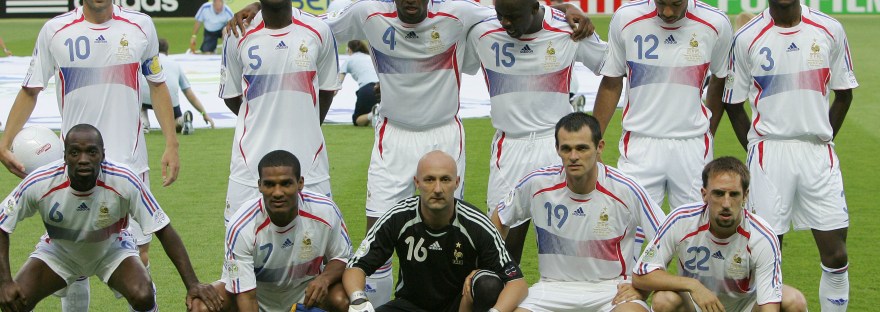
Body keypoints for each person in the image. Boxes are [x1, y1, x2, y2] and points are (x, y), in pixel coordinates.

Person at [227, 0, 593, 304]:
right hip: (392, 137)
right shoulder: (366, 12)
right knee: (377, 237)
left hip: (443, 136)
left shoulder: (460, 13)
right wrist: (260, 6)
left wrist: (561, 8)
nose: (410, 3)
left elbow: (520, 10)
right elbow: (307, 24)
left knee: (451, 237)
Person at [0, 1, 181, 309]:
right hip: (76, 166)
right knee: (74, 258)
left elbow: (158, 84)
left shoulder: (140, 26)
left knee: (140, 255)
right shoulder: (55, 31)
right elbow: (31, 89)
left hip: (129, 166)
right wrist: (4, 143)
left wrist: (171, 144)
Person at [722, 0, 858, 310]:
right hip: (769, 153)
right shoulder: (747, 37)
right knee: (768, 253)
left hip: (817, 153)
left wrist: (823, 137)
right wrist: (757, 150)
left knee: (836, 254)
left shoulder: (830, 29)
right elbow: (733, 102)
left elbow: (844, 93)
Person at [0, 124, 220, 312]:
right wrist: (4, 282)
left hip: (111, 249)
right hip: (60, 252)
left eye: (91, 152)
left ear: (102, 154)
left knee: (143, 295)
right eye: (75, 152)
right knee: (15, 301)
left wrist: (193, 284)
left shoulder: (124, 179)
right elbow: (1, 224)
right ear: (65, 156)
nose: (83, 160)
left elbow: (163, 229)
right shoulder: (40, 181)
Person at [466, 0, 607, 265]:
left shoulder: (569, 30)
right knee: (501, 249)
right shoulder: (482, 31)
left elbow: (610, 67)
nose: (505, 23)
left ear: (534, 8)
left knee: (566, 246)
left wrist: (593, 133)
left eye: (513, 17)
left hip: (557, 148)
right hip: (509, 148)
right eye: (500, 15)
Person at [489, 113, 664, 312]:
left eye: (581, 148)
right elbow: (500, 218)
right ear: (557, 149)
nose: (573, 156)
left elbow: (665, 236)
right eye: (566, 148)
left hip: (611, 290)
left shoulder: (625, 189)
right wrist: (499, 269)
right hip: (551, 289)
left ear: (599, 147)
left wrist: (642, 287)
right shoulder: (537, 183)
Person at [344, 150, 528, 312]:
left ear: (456, 183)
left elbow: (517, 283)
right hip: (410, 305)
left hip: (459, 306)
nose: (438, 189)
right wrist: (359, 299)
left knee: (488, 283)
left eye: (445, 180)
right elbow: (356, 265)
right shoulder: (399, 217)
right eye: (430, 179)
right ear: (417, 182)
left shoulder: (476, 224)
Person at [593, 0, 733, 211]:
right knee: (629, 231)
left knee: (693, 233)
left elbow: (720, 79)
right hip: (640, 145)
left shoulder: (716, 23)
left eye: (676, 4)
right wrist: (593, 139)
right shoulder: (626, 18)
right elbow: (612, 82)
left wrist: (708, 130)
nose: (667, 12)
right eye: (661, 2)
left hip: (692, 147)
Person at [632, 157, 808, 312]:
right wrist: (693, 285)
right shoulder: (681, 220)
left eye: (733, 195)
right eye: (718, 193)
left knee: (794, 301)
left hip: (745, 307)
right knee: (664, 300)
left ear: (745, 196)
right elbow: (641, 275)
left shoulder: (762, 236)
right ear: (704, 194)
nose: (726, 203)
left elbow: (769, 305)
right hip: (696, 305)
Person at [219, 0, 339, 228]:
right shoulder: (236, 34)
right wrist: (260, 119)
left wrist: (306, 125)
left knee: (317, 248)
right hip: (249, 165)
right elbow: (232, 96)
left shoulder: (319, 31)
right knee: (241, 249)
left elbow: (326, 91)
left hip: (310, 164)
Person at [189, 150, 351, 312]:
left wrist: (324, 279)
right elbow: (247, 296)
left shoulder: (325, 211)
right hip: (255, 298)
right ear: (259, 185)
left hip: (305, 296)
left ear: (300, 183)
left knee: (341, 299)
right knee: (200, 307)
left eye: (286, 183)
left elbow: (341, 257)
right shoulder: (242, 226)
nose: (278, 193)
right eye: (269, 184)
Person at [140, 38, 216, 135]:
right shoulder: (175, 65)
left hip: (146, 98)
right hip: (170, 101)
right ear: (167, 51)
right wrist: (204, 114)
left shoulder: (146, 61)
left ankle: (144, 123)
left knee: (141, 101)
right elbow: (189, 93)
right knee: (174, 124)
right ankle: (182, 120)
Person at [338, 40, 379, 126]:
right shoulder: (371, 57)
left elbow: (338, 83)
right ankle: (377, 113)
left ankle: (373, 114)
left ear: (349, 50)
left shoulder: (349, 59)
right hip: (381, 88)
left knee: (357, 120)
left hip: (366, 89)